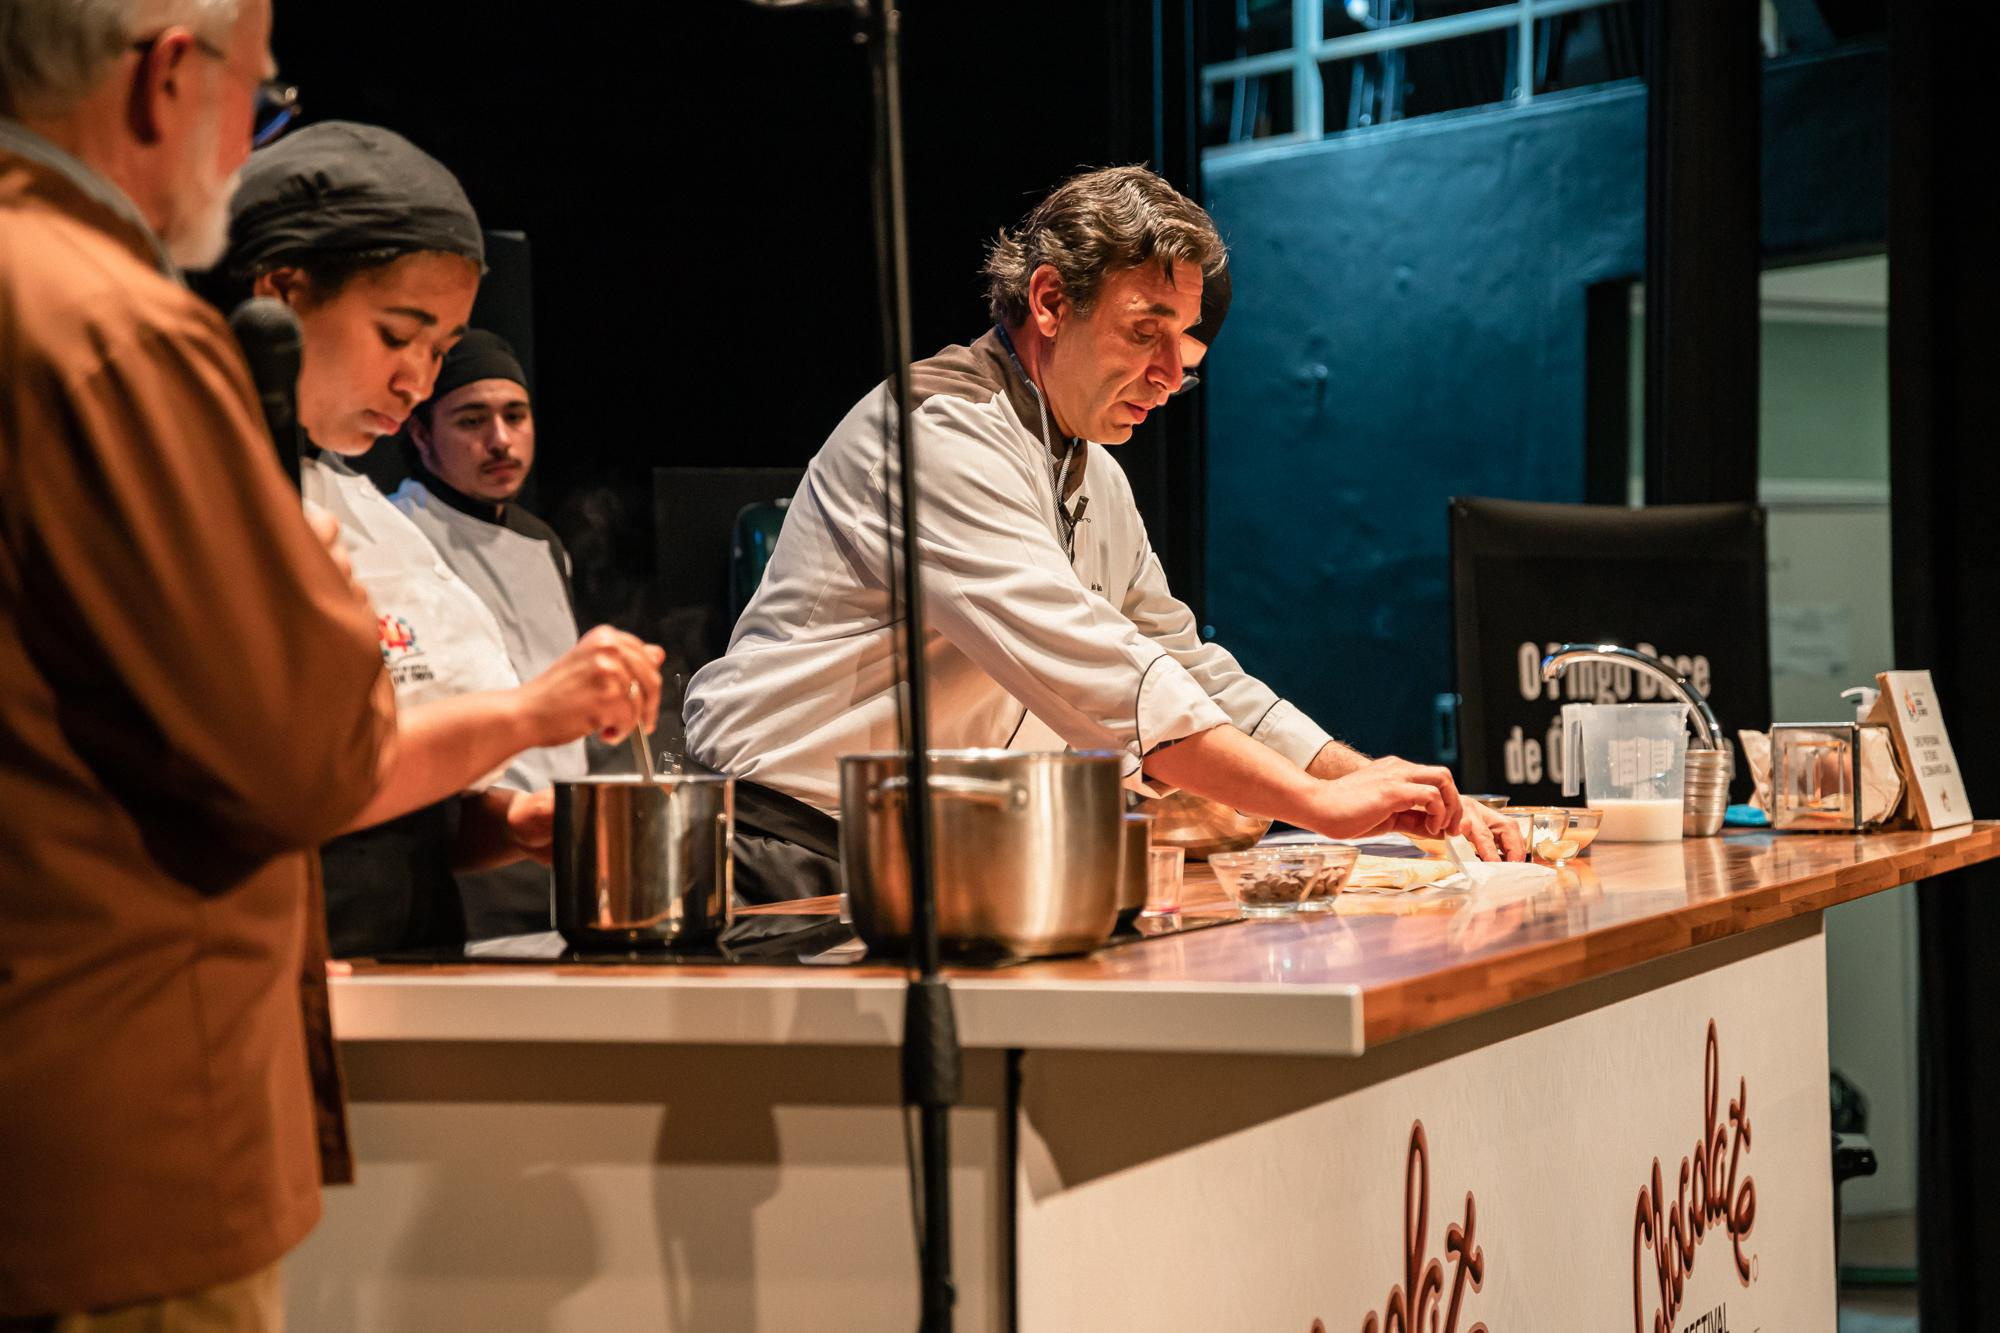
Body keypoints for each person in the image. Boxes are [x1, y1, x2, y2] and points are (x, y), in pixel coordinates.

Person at [684, 166, 1519, 902]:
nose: (1169, 375)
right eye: (1143, 331)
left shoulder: (1093, 471)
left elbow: (1183, 663)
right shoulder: (941, 431)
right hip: (779, 848)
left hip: (921, 857)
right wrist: (1314, 806)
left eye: (1185, 349)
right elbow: (1091, 665)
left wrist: (1363, 778)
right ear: (1050, 300)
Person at [0, 1, 387, 1326]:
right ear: (169, 74)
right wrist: (313, 600)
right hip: (111, 1163)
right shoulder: (108, 326)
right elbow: (306, 754)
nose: (251, 137)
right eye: (259, 97)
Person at [215, 121, 664, 955]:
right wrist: (531, 713)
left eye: (440, 348)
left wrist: (497, 822)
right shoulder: (202, 493)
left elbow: (391, 811)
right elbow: (292, 787)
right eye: (396, 335)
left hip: (403, 959)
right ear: (282, 293)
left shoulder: (368, 514)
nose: (415, 380)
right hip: (278, 963)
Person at [392, 330, 588, 938]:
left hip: (564, 848)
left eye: (514, 416)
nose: (500, 440)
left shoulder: (544, 544)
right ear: (421, 435)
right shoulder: (395, 536)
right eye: (472, 421)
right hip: (475, 855)